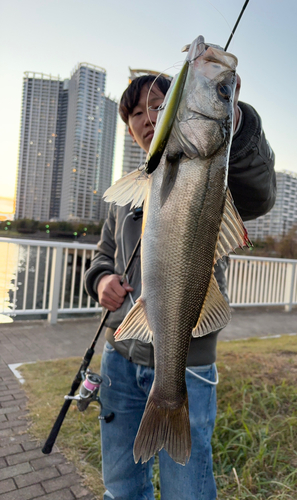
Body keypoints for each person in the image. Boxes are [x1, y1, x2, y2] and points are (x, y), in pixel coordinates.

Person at [85, 66, 276, 500]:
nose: (148, 117)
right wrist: (100, 283)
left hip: (187, 364)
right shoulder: (128, 193)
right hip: (119, 354)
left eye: (158, 105)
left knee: (186, 488)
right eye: (136, 112)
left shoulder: (211, 169)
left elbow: (260, 192)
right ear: (128, 126)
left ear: (178, 111)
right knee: (119, 481)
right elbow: (101, 257)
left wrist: (234, 118)